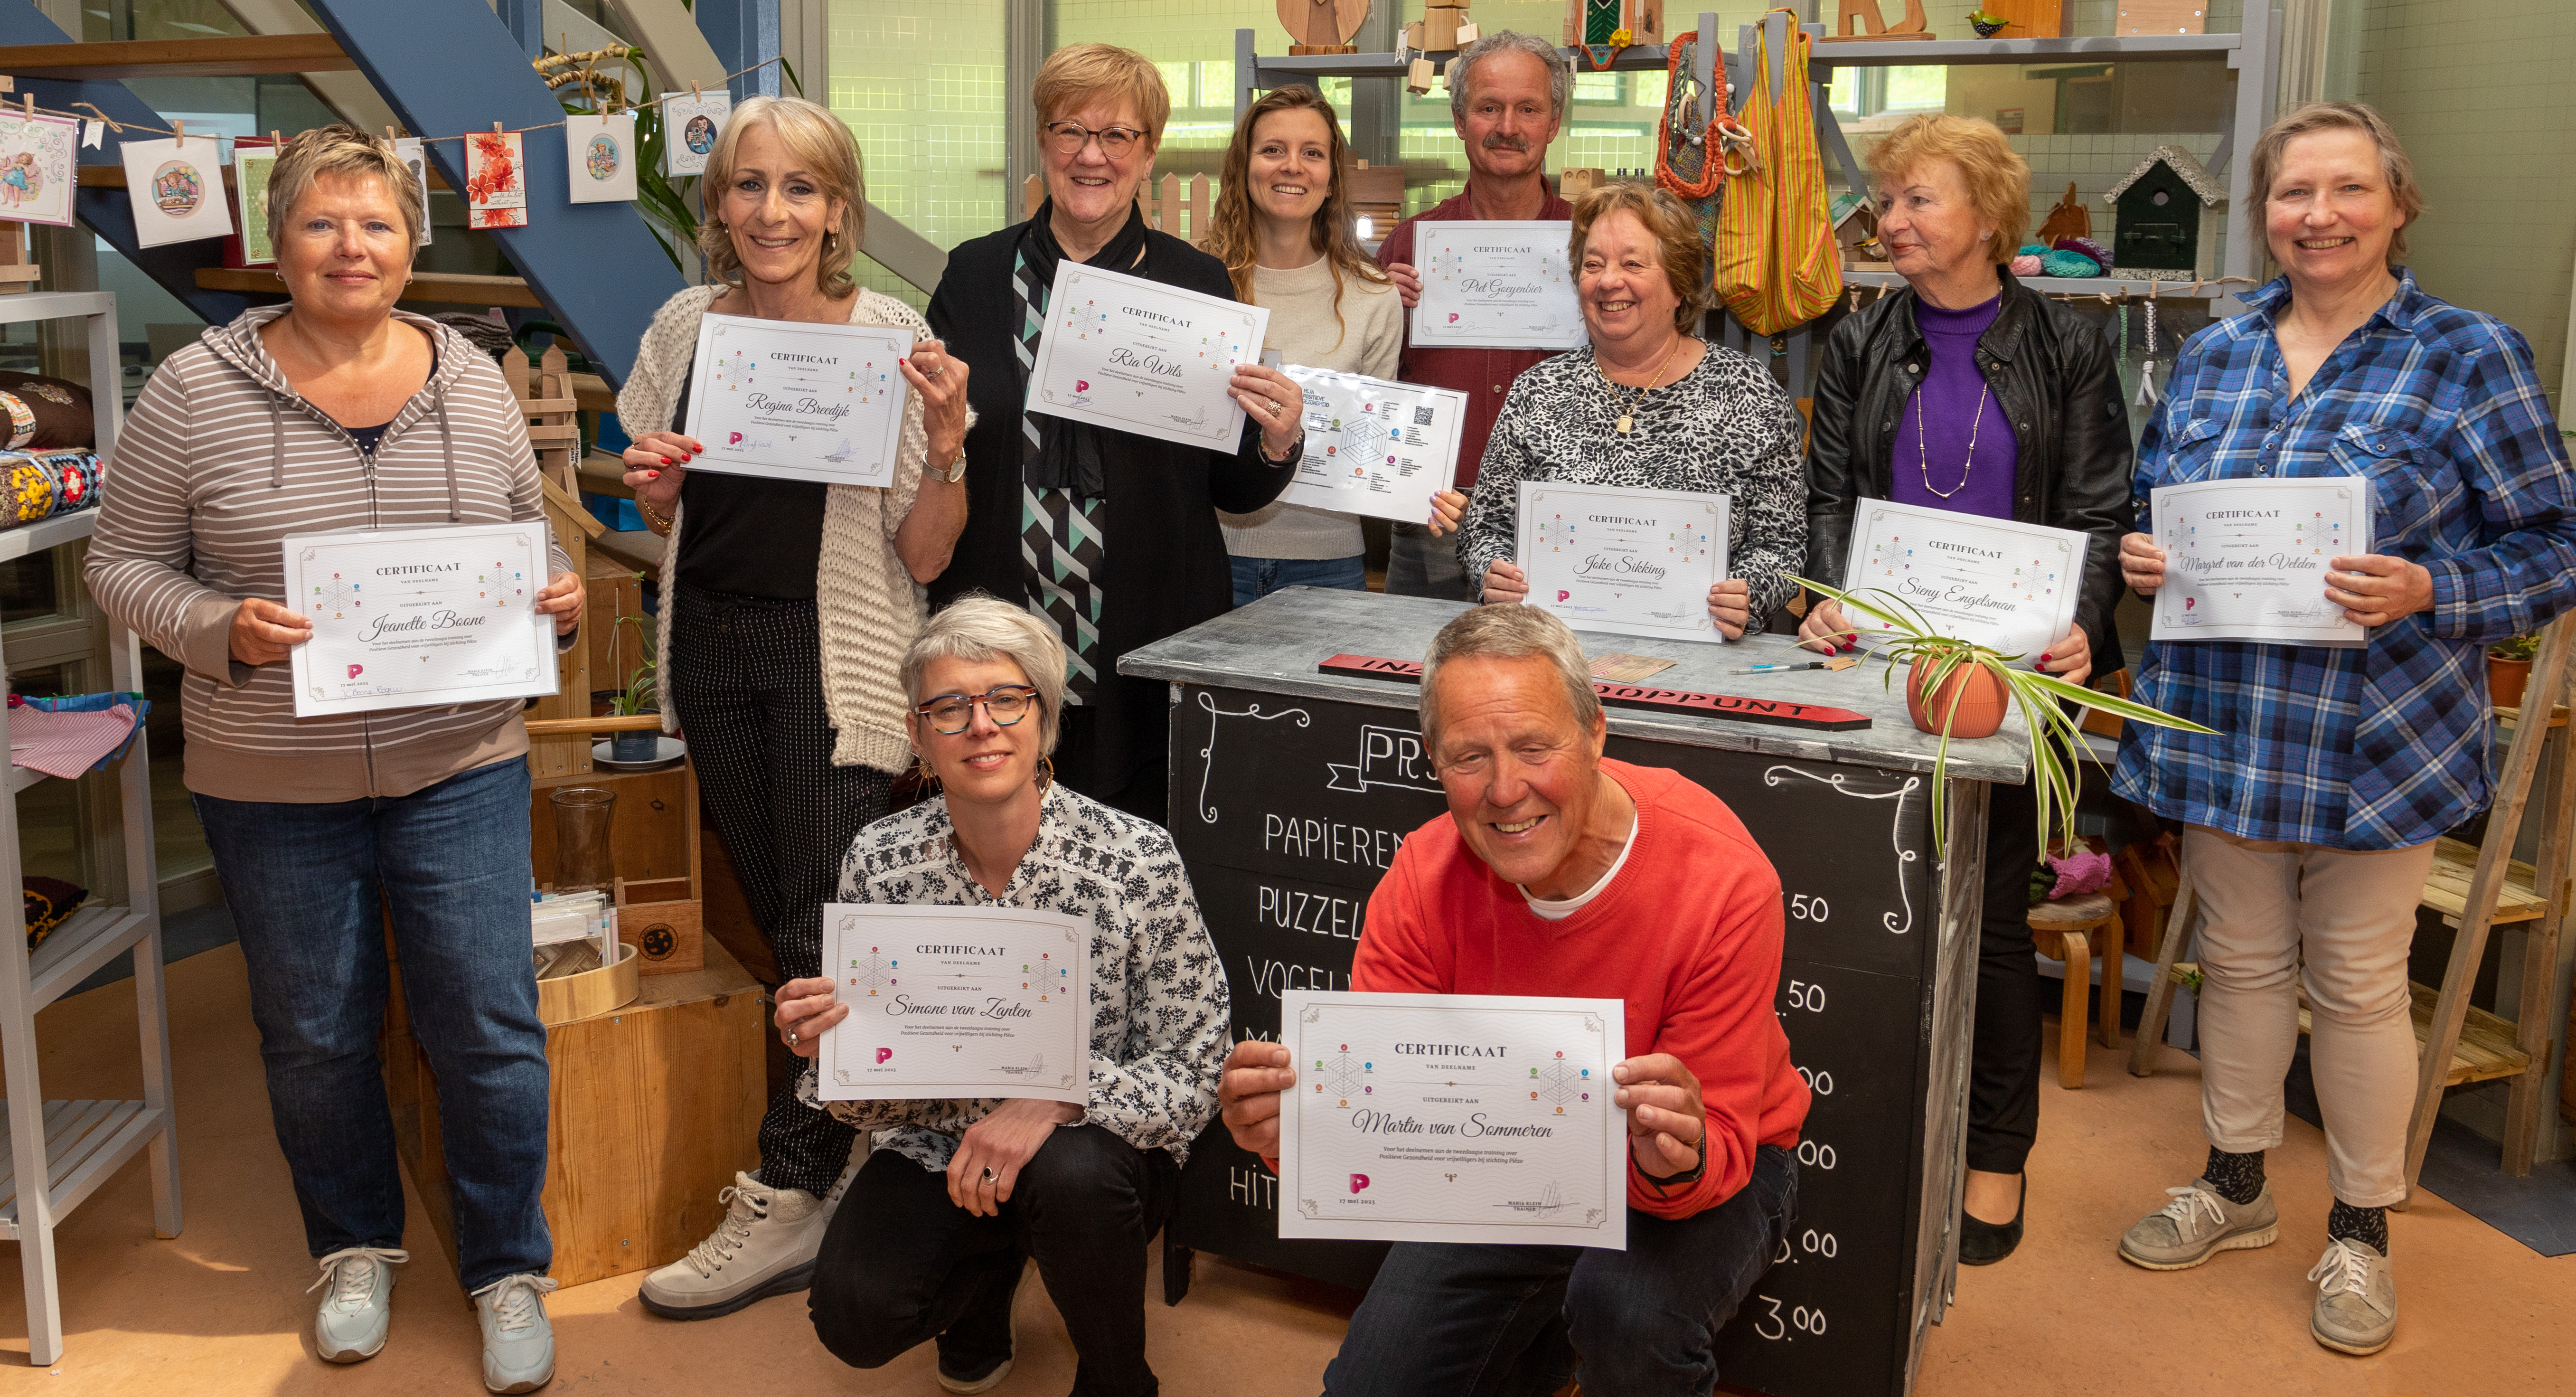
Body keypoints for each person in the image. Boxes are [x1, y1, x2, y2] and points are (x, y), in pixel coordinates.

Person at [84, 125, 583, 1393]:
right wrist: (218, 626)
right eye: (321, 222)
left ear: (414, 244)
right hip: (270, 777)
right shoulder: (193, 389)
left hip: (460, 760)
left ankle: (505, 1263)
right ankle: (355, 1241)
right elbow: (117, 563)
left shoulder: (471, 376)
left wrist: (555, 598)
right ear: (277, 242)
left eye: (376, 224)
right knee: (313, 1028)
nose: (350, 247)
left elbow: (527, 539)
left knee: (487, 1016)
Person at [2108, 102, 2576, 1356]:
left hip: (2377, 735)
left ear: (2395, 202)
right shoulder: (2214, 354)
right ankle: (2233, 1185)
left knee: (2359, 982)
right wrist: (2144, 547)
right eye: (2291, 192)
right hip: (2226, 719)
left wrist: (2438, 587)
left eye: (2345, 189)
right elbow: (2156, 503)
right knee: (2238, 963)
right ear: (2262, 211)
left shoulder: (2464, 353)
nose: (2317, 215)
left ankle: (2360, 1226)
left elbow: (2565, 540)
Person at [1217, 605, 1808, 1395]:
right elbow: (1379, 1128)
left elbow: (1721, 1146)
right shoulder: (1422, 879)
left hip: (1710, 1173)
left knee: (1623, 1311)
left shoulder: (1724, 880)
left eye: (1534, 747)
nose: (1504, 789)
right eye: (1469, 756)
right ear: (1431, 759)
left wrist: (1674, 1155)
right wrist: (1293, 1132)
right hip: (1495, 1162)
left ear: (1594, 731)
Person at [613, 94, 973, 1321]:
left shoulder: (886, 330)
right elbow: (667, 510)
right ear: (719, 207)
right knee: (784, 915)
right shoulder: (682, 326)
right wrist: (652, 487)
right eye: (750, 186)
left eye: (800, 189)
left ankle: (791, 1184)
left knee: (824, 927)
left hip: (837, 656)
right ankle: (863, 1122)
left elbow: (923, 554)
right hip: (708, 648)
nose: (773, 211)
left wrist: (946, 440)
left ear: (839, 211)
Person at [1796, 113, 2133, 1265]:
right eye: (1885, 202)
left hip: (2012, 673)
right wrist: (1828, 593)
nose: (1889, 223)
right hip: (1880, 659)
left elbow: (2098, 509)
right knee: (1863, 902)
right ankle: (1879, 1138)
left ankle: (1995, 1156)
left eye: (1914, 201)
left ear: (1986, 215)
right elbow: (1829, 493)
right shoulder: (1859, 339)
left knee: (1989, 927)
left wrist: (2086, 625)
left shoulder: (2072, 346)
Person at [771, 596, 1229, 1395]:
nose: (979, 725)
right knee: (853, 1314)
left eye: (1005, 700)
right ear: (917, 737)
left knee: (1071, 1178)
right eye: (948, 708)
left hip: (1098, 1154)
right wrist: (829, 1051)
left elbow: (1197, 1068)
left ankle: (1118, 1377)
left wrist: (1055, 1098)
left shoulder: (1134, 858)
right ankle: (985, 1286)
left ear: (1042, 720)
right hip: (937, 1144)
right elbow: (865, 1109)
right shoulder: (879, 861)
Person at [926, 43, 1309, 823]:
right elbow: (936, 444)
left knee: (1138, 848)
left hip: (1147, 622)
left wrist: (1275, 440)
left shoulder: (1195, 282)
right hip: (1001, 625)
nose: (1090, 155)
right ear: (1042, 144)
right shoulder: (972, 274)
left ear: (1148, 155)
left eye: (1116, 136)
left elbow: (1231, 487)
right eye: (1070, 131)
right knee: (1003, 841)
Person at [1456, 182, 1804, 639]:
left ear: (1679, 285)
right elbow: (1484, 528)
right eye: (1592, 264)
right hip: (1555, 652)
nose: (1607, 281)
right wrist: (1492, 575)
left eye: (1633, 264)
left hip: (1700, 656)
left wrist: (1748, 595)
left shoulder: (1750, 393)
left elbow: (1782, 545)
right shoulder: (1538, 391)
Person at [1375, 29, 1574, 601]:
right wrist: (1378, 313)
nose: (1507, 127)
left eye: (1527, 109)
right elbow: (1375, 385)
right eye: (1488, 108)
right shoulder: (1410, 246)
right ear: (1460, 122)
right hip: (1433, 526)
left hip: (1558, 527)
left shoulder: (1593, 248)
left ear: (1553, 123)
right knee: (1413, 684)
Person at [1199, 85, 1412, 604]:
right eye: (1273, 149)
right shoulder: (1197, 283)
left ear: (1331, 176)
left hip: (1329, 564)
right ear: (1244, 164)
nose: (1292, 166)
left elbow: (1375, 446)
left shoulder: (1373, 295)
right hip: (1208, 552)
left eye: (1311, 153)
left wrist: (1414, 478)